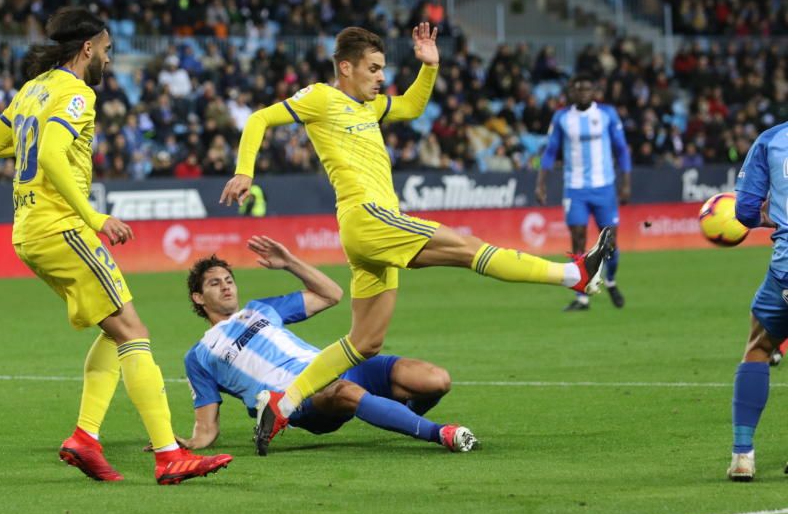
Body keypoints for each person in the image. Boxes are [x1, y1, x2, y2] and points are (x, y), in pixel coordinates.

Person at [220, 24, 614, 454]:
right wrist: (245, 170)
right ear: (345, 67)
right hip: (369, 218)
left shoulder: (368, 107)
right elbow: (260, 118)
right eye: (373, 69)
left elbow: (410, 106)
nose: (380, 77)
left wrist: (430, 66)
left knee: (365, 342)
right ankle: (572, 273)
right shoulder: (320, 96)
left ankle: (283, 403)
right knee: (467, 248)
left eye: (383, 68)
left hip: (370, 230)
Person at [0, 6, 232, 485]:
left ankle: (86, 438)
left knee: (115, 331)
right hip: (62, 227)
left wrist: (27, 145)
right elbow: (50, 153)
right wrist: (93, 215)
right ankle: (169, 453)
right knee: (134, 330)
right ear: (88, 47)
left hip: (27, 232)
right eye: (107, 50)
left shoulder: (32, 90)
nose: (109, 60)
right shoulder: (75, 92)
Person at [183, 238, 477, 455]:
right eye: (214, 283)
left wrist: (290, 263)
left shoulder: (260, 309)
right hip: (298, 398)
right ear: (198, 298)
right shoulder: (199, 356)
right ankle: (440, 434)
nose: (226, 286)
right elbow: (207, 426)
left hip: (334, 367)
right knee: (346, 393)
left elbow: (331, 294)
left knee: (437, 380)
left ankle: (393, 416)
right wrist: (187, 443)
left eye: (229, 280)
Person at [535, 73, 631, 311]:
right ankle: (582, 296)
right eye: (578, 89)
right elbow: (550, 151)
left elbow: (621, 149)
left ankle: (610, 280)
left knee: (610, 240)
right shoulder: (562, 117)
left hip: (604, 186)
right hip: (575, 188)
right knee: (577, 237)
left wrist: (626, 182)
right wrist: (541, 182)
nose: (582, 93)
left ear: (594, 90)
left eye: (587, 89)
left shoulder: (607, 114)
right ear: (571, 92)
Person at [725, 121, 784, 482]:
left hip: (786, 270)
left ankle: (742, 455)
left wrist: (764, 217)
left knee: (759, 347)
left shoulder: (772, 140)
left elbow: (745, 211)